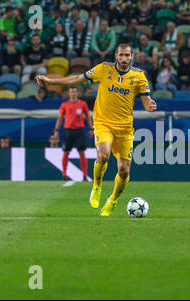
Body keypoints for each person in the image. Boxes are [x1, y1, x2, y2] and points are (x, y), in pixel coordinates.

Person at [35, 43, 157, 216]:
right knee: (103, 155)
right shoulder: (103, 69)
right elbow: (77, 79)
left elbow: (146, 101)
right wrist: (51, 80)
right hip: (103, 123)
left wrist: (150, 106)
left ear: (131, 57)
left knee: (124, 170)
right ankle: (97, 186)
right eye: (121, 55)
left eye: (127, 56)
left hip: (125, 128)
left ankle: (112, 200)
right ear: (116, 55)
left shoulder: (139, 76)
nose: (124, 59)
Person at [52, 87, 93, 181]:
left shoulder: (82, 104)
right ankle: (64, 174)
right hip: (68, 131)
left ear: (77, 93)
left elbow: (87, 117)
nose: (73, 93)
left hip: (79, 131)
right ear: (69, 93)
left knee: (81, 152)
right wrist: (56, 130)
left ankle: (84, 175)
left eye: (74, 91)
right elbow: (60, 118)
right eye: (71, 91)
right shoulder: (65, 104)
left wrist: (91, 128)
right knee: (66, 152)